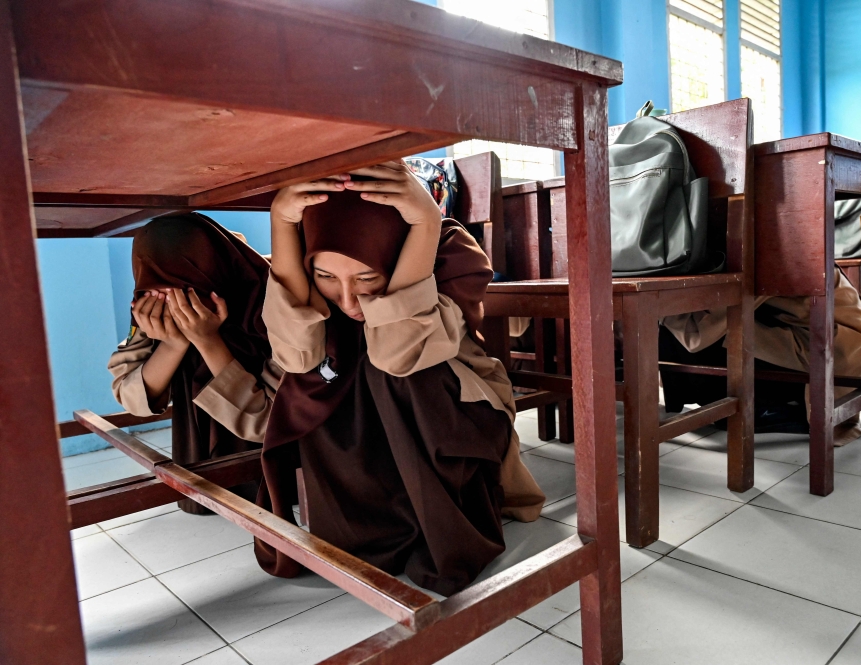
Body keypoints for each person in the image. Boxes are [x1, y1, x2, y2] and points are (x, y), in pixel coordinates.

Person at [255, 161, 544, 595]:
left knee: (391, 372)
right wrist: (280, 223)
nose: (348, 300)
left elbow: (399, 353)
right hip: (359, 413)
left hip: (448, 410)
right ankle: (373, 531)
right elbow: (297, 358)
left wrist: (425, 224)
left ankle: (445, 528)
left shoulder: (450, 251)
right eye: (325, 277)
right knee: (317, 379)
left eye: (367, 277)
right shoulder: (302, 252)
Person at [109, 213, 278, 513]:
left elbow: (270, 420)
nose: (172, 301)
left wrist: (208, 341)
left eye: (185, 288)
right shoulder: (151, 305)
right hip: (200, 461)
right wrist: (174, 344)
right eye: (155, 288)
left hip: (275, 459)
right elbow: (131, 397)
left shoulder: (268, 298)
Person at [659, 267, 861, 441]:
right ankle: (764, 405)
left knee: (687, 327)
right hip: (821, 342)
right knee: (693, 320)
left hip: (828, 353)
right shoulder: (787, 242)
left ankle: (779, 409)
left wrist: (657, 308)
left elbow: (698, 335)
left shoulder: (772, 251)